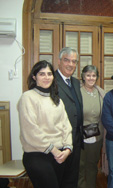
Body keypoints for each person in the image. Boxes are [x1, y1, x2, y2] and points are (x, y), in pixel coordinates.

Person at [17, 60, 73, 188]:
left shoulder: (57, 99)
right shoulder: (27, 97)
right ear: (34, 77)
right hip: (38, 155)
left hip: (60, 155)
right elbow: (31, 130)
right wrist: (53, 150)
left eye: (49, 74)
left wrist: (68, 148)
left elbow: (66, 126)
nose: (47, 77)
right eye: (42, 74)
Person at [55, 47, 83, 188]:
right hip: (59, 139)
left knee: (72, 176)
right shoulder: (51, 81)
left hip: (75, 138)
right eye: (67, 60)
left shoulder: (76, 82)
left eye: (74, 61)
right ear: (59, 61)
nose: (71, 64)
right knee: (59, 177)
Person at [78, 65, 105, 188]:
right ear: (83, 76)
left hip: (96, 136)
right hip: (80, 136)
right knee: (80, 165)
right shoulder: (77, 92)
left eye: (94, 75)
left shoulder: (100, 92)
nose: (91, 78)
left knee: (92, 164)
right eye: (88, 75)